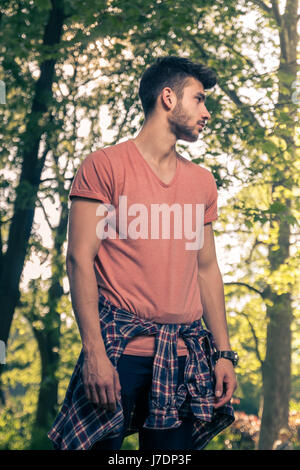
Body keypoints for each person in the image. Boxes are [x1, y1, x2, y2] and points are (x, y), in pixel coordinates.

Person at [47, 55, 237, 451]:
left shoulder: (202, 182)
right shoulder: (105, 166)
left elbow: (207, 269)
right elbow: (79, 260)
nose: (207, 111)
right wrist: (95, 354)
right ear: (168, 98)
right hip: (119, 353)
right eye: (199, 99)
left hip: (183, 358)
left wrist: (224, 354)